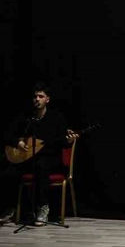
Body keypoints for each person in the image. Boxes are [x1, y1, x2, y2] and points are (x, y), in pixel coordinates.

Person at [4, 83, 75, 225]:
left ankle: (42, 207)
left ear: (47, 99)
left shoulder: (56, 118)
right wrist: (18, 143)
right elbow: (8, 135)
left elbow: (62, 142)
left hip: (50, 159)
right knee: (8, 171)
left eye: (41, 96)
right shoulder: (26, 117)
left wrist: (69, 141)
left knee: (41, 166)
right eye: (35, 96)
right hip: (28, 158)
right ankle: (11, 209)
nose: (37, 99)